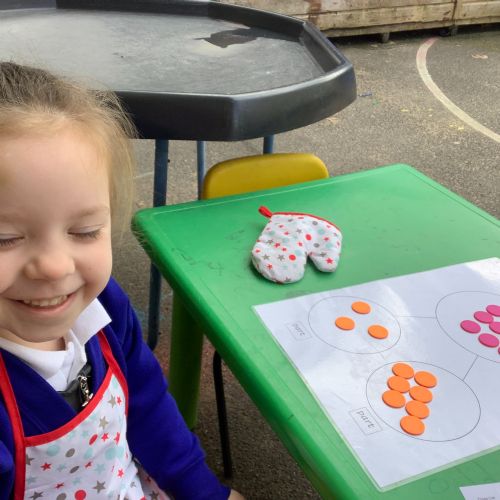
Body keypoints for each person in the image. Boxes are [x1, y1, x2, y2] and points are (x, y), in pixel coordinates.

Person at [0, 61, 244, 500]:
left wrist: (204, 492)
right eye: (5, 239)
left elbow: (149, 408)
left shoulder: (104, 307)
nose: (55, 267)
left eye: (85, 231)